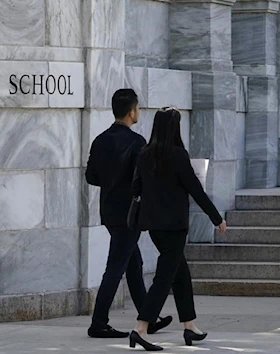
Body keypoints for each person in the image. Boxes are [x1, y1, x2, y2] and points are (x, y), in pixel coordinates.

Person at [128, 106, 227, 351]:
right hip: (174, 226)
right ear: (175, 127)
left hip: (153, 226)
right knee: (164, 277)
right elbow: (196, 190)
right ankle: (141, 328)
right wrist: (217, 218)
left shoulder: (144, 154)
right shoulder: (178, 156)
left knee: (180, 274)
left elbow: (135, 189)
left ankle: (189, 325)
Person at [86, 89, 172, 339]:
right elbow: (146, 180)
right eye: (138, 108)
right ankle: (98, 322)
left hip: (110, 211)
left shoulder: (100, 140)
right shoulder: (137, 143)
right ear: (132, 111)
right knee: (115, 268)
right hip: (130, 214)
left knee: (133, 265)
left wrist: (112, 181)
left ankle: (149, 318)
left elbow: (91, 177)